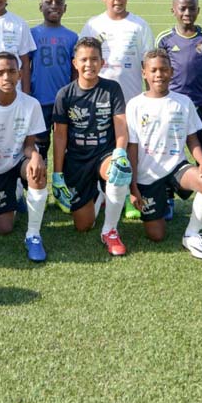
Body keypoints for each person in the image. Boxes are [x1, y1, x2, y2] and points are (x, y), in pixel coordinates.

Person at [126, 49, 202, 259]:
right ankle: (162, 203)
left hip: (176, 167)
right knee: (156, 235)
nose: (159, 74)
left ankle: (192, 233)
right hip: (147, 176)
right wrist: (133, 187)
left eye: (163, 69)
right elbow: (131, 148)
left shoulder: (183, 102)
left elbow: (192, 138)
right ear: (144, 73)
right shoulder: (135, 105)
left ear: (171, 72)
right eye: (154, 70)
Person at [50, 37, 132, 256]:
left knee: (118, 172)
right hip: (77, 160)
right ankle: (98, 195)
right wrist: (57, 174)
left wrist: (120, 153)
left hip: (104, 154)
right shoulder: (65, 94)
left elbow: (121, 127)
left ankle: (110, 230)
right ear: (74, 63)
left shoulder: (112, 89)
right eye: (84, 59)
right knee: (83, 225)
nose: (89, 64)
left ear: (102, 62)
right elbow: (59, 137)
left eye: (94, 59)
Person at [0, 52, 50, 262]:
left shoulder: (31, 104)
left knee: (37, 169)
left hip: (19, 162)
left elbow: (28, 145)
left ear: (20, 74)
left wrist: (35, 155)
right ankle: (15, 194)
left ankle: (33, 235)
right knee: (3, 228)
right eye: (1, 73)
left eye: (11, 71)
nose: (7, 77)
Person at [79, 0, 155, 103]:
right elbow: (81, 64)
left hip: (131, 99)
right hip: (98, 99)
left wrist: (152, 100)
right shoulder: (92, 25)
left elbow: (149, 66)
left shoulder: (140, 26)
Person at [156, 0, 202, 127]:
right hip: (172, 102)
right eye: (182, 8)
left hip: (201, 102)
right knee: (170, 143)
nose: (187, 13)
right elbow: (156, 73)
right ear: (173, 10)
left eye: (192, 8)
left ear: (198, 10)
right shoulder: (164, 39)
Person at [29, 0, 77, 163]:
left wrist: (73, 95)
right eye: (48, 2)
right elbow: (26, 66)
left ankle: (63, 180)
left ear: (65, 8)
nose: (54, 5)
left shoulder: (72, 37)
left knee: (64, 142)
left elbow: (74, 70)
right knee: (39, 144)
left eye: (59, 2)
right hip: (39, 99)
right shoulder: (32, 34)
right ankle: (35, 185)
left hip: (63, 101)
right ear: (40, 6)